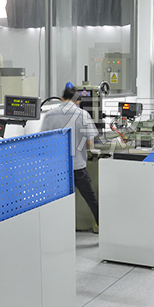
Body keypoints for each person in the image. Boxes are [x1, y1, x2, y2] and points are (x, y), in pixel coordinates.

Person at [40, 86, 99, 228]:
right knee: (91, 199)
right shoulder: (83, 115)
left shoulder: (49, 115)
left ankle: (55, 228)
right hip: (78, 166)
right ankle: (101, 225)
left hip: (56, 168)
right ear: (78, 101)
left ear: (62, 99)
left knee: (55, 201)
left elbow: (43, 141)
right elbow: (90, 143)